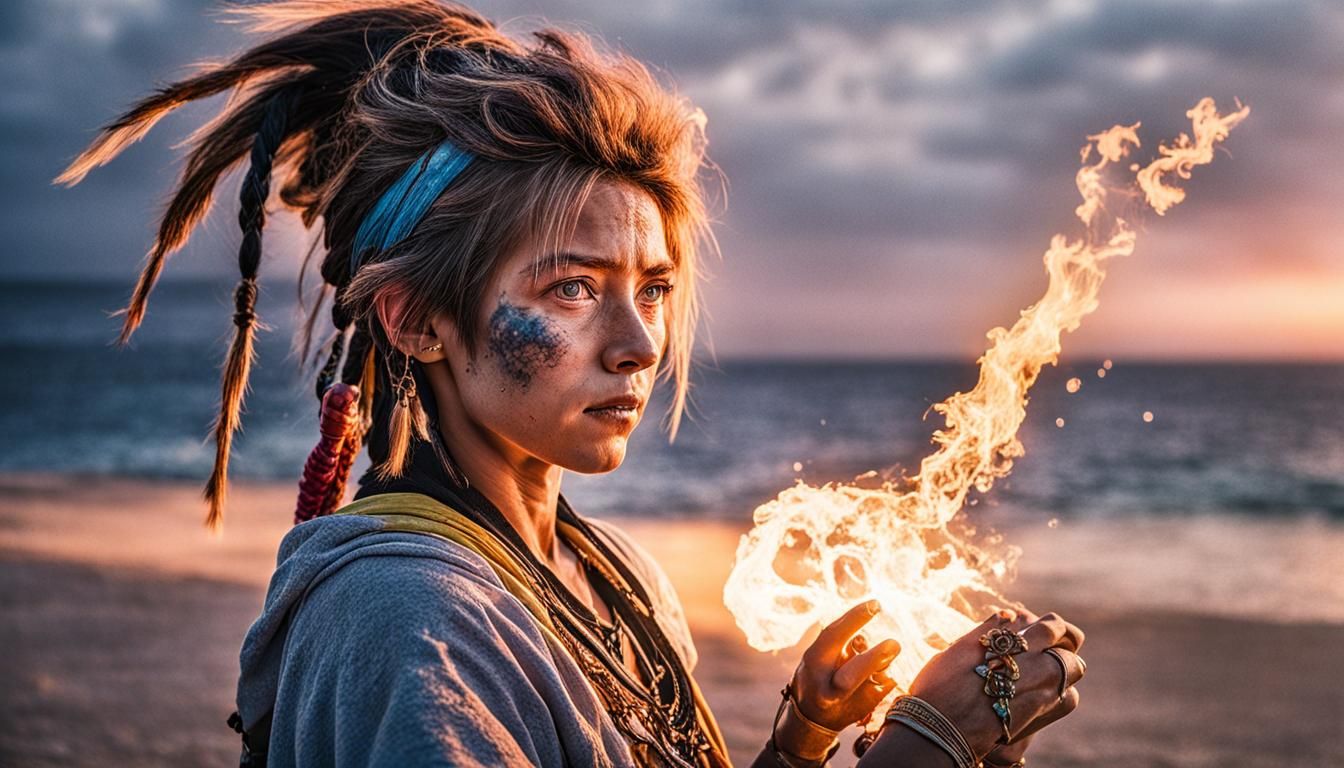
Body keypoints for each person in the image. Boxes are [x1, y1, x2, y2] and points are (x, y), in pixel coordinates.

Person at [58, 2, 1086, 766]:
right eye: (573, 289)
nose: (639, 342)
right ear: (417, 319)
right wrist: (921, 745)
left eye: (654, 288)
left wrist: (807, 734)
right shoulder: (407, 619)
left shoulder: (617, 578)